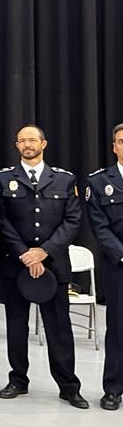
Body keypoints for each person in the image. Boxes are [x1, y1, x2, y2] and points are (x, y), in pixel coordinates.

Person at [0, 125, 87, 408]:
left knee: (58, 327)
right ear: (16, 146)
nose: (27, 144)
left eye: (32, 140)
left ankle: (68, 385)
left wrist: (43, 252)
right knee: (16, 325)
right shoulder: (2, 178)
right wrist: (25, 253)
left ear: (44, 143)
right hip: (15, 264)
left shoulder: (64, 179)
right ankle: (18, 379)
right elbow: (0, 221)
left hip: (53, 265)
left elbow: (72, 221)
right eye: (21, 141)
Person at [85, 122, 123, 411]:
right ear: (114, 147)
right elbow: (99, 226)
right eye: (121, 141)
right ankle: (113, 388)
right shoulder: (99, 182)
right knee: (118, 328)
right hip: (118, 264)